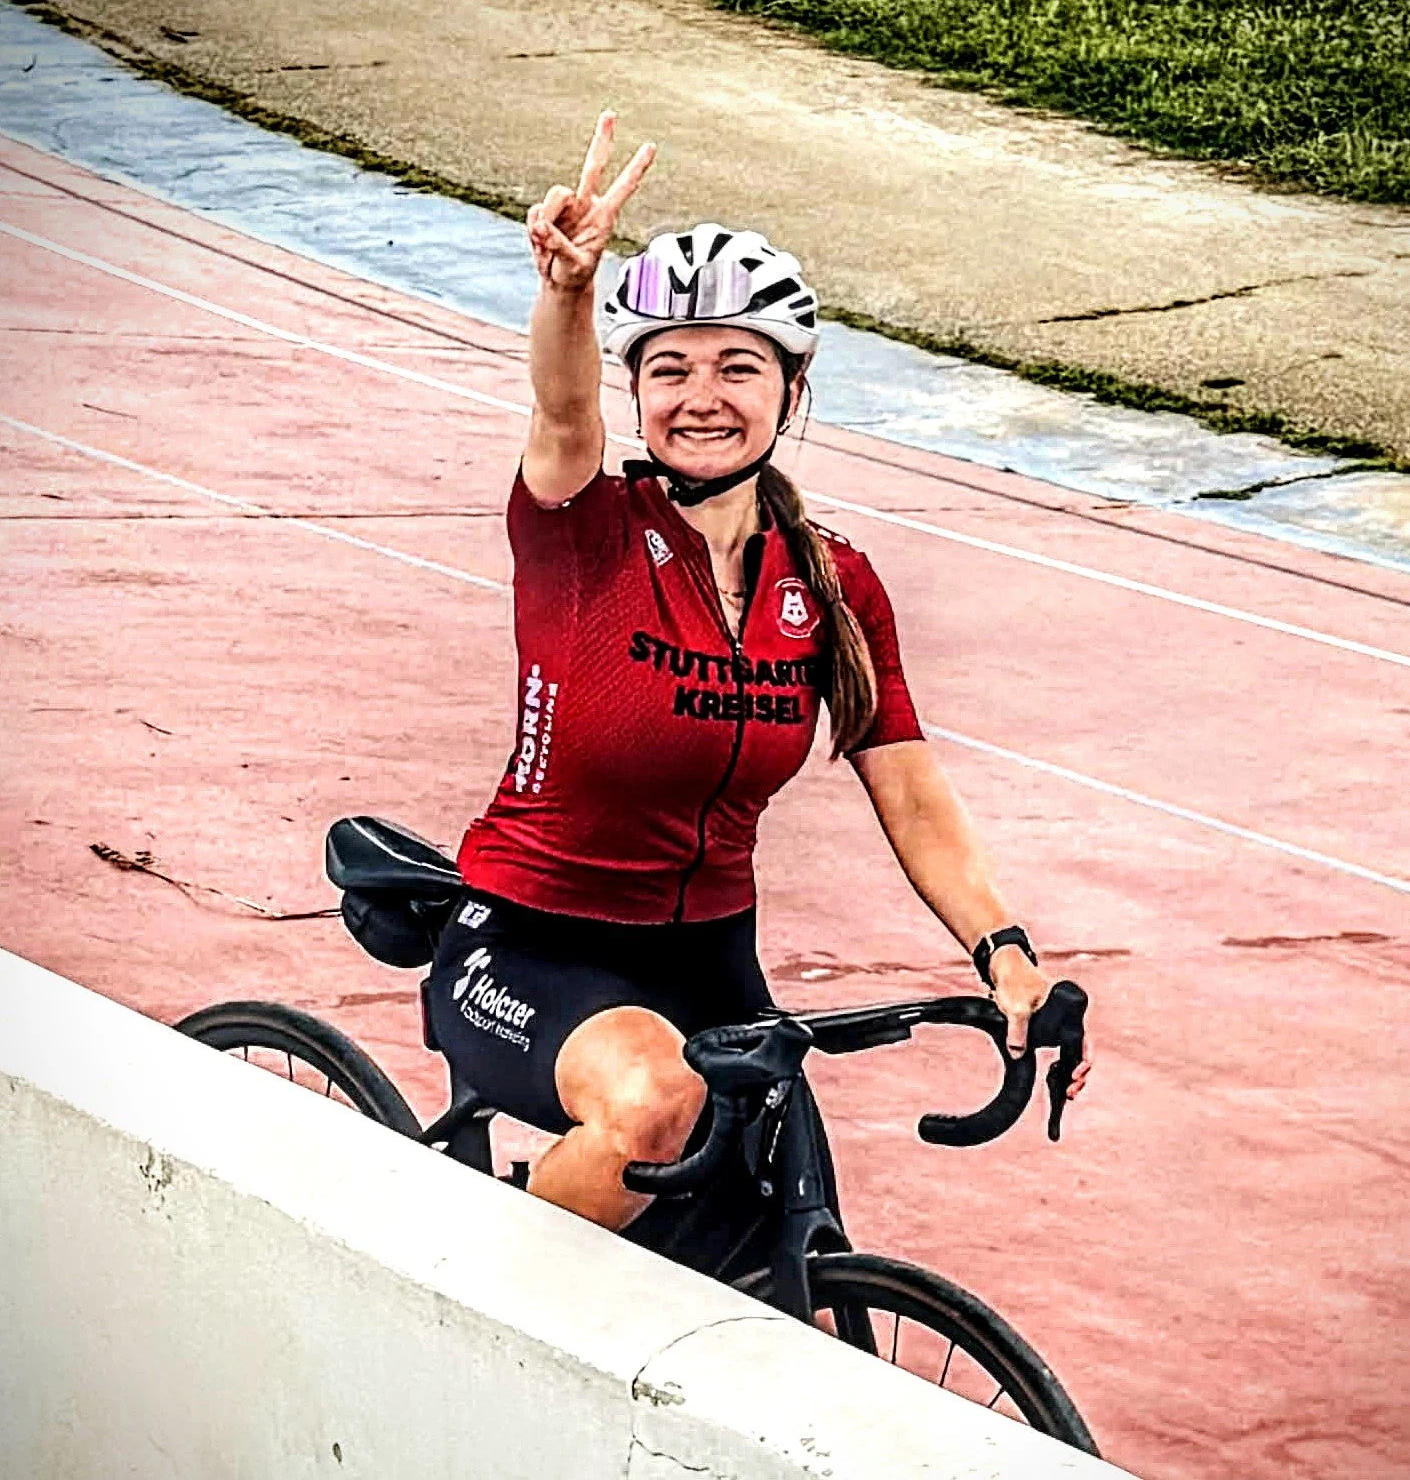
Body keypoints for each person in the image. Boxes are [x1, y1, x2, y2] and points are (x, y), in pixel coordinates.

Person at [429, 112, 1089, 1232]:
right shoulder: (582, 529)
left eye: (739, 367)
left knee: (795, 1240)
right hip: (531, 941)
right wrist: (572, 293)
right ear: (635, 389)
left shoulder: (831, 583)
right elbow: (560, 406)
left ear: (792, 390)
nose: (702, 396)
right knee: (655, 1109)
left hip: (709, 961)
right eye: (670, 368)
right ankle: (446, 1276)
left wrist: (1007, 955)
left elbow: (912, 789)